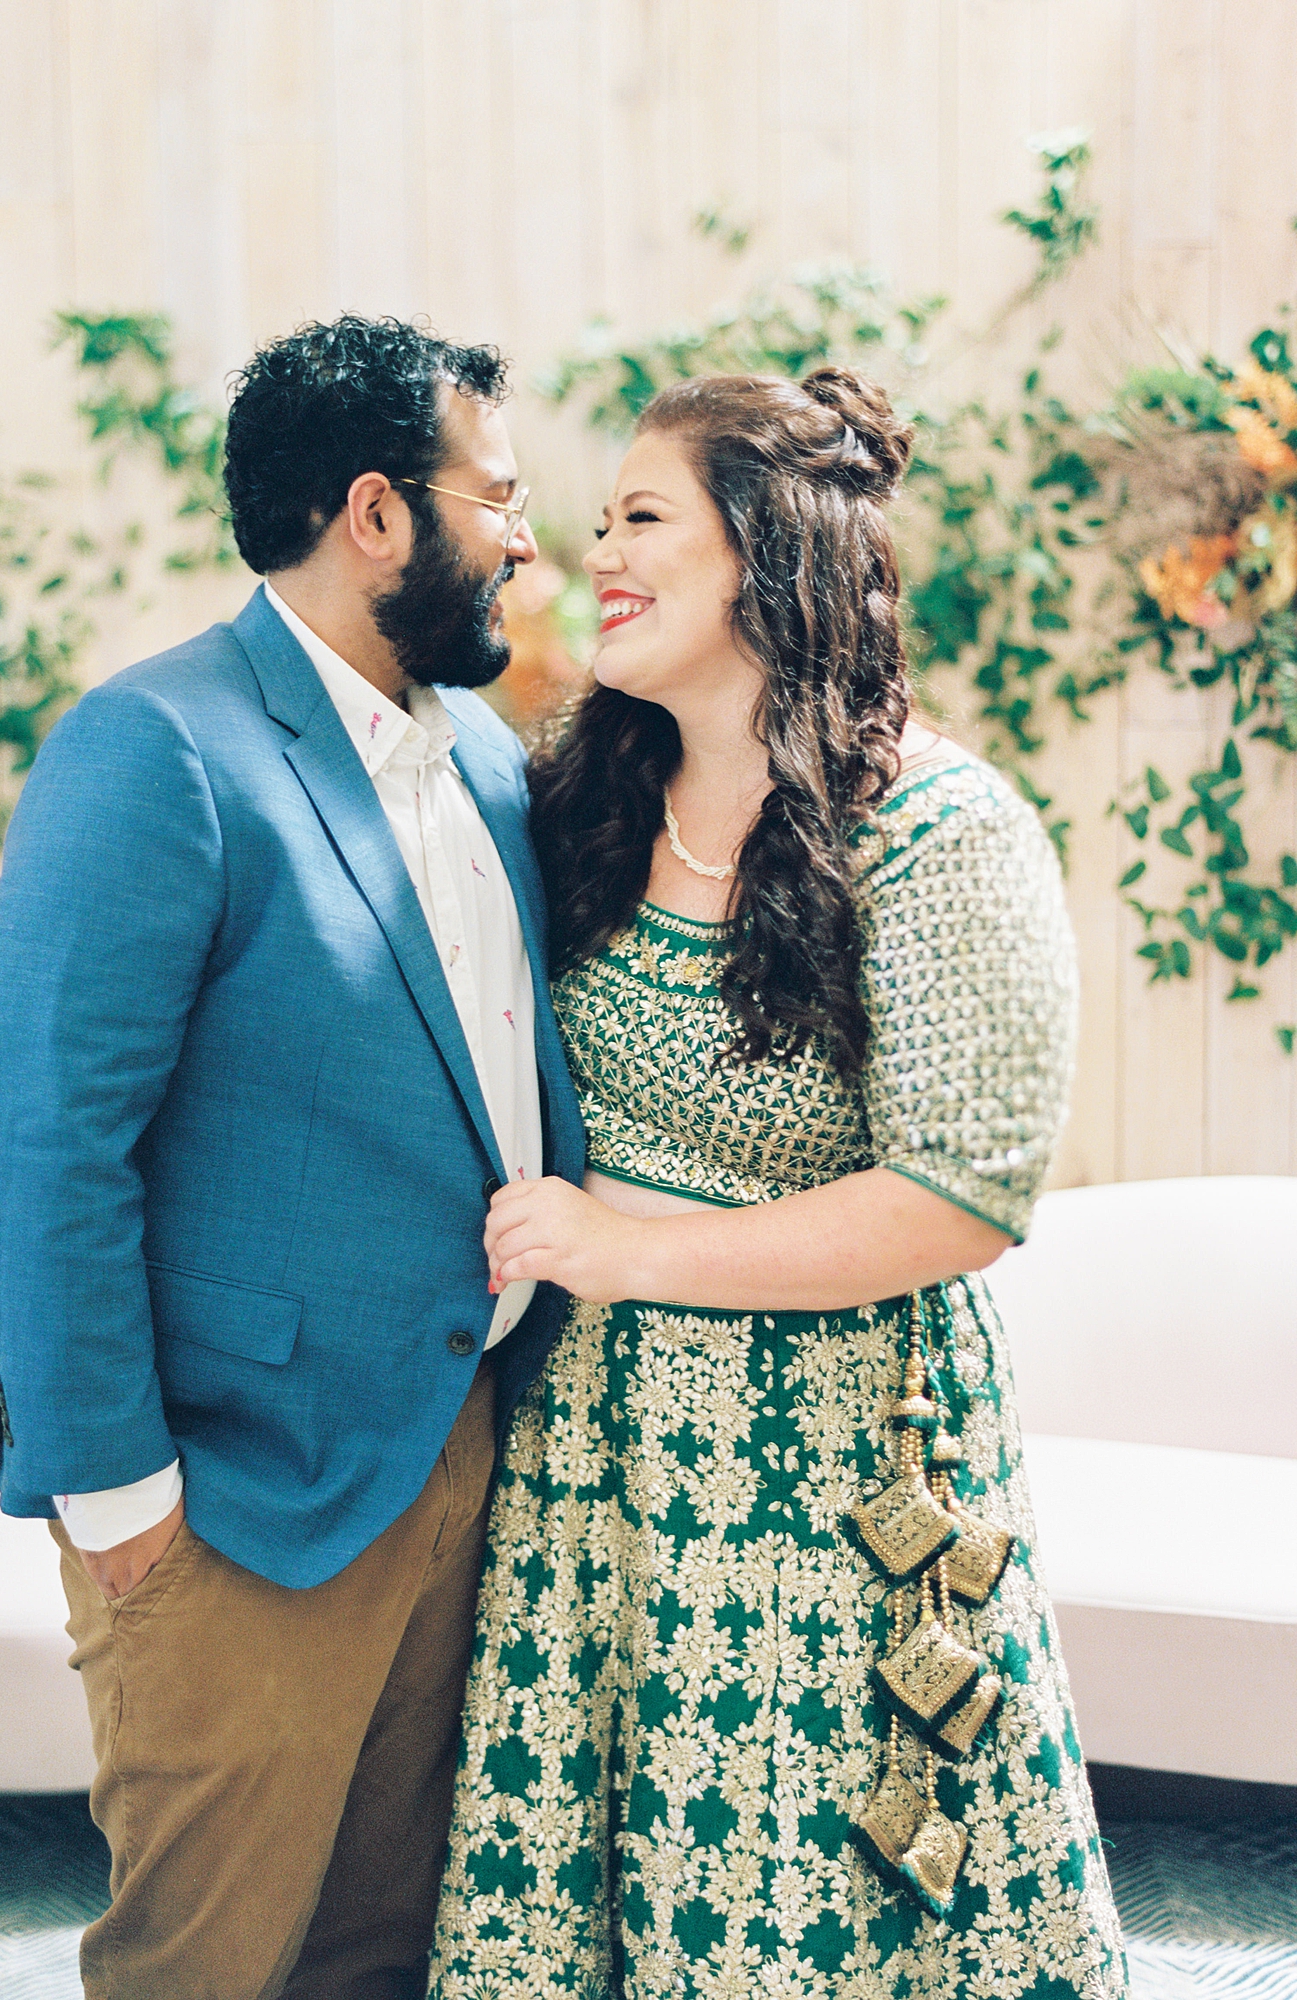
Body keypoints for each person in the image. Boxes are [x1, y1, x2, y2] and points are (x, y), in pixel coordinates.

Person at [429, 368, 1127, 1997]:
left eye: (641, 518)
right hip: (591, 1453)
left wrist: (623, 1249)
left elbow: (960, 1198)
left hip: (835, 1471)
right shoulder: (575, 798)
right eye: (598, 522)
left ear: (768, 549)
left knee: (809, 1905)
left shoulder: (942, 829)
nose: (597, 553)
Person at [0, 314, 584, 2000]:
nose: (524, 540)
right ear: (376, 513)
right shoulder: (154, 749)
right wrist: (120, 1496)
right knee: (205, 1966)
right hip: (229, 1499)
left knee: (379, 1958)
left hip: (453, 1456)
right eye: (497, 497)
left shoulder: (487, 757)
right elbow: (37, 1139)